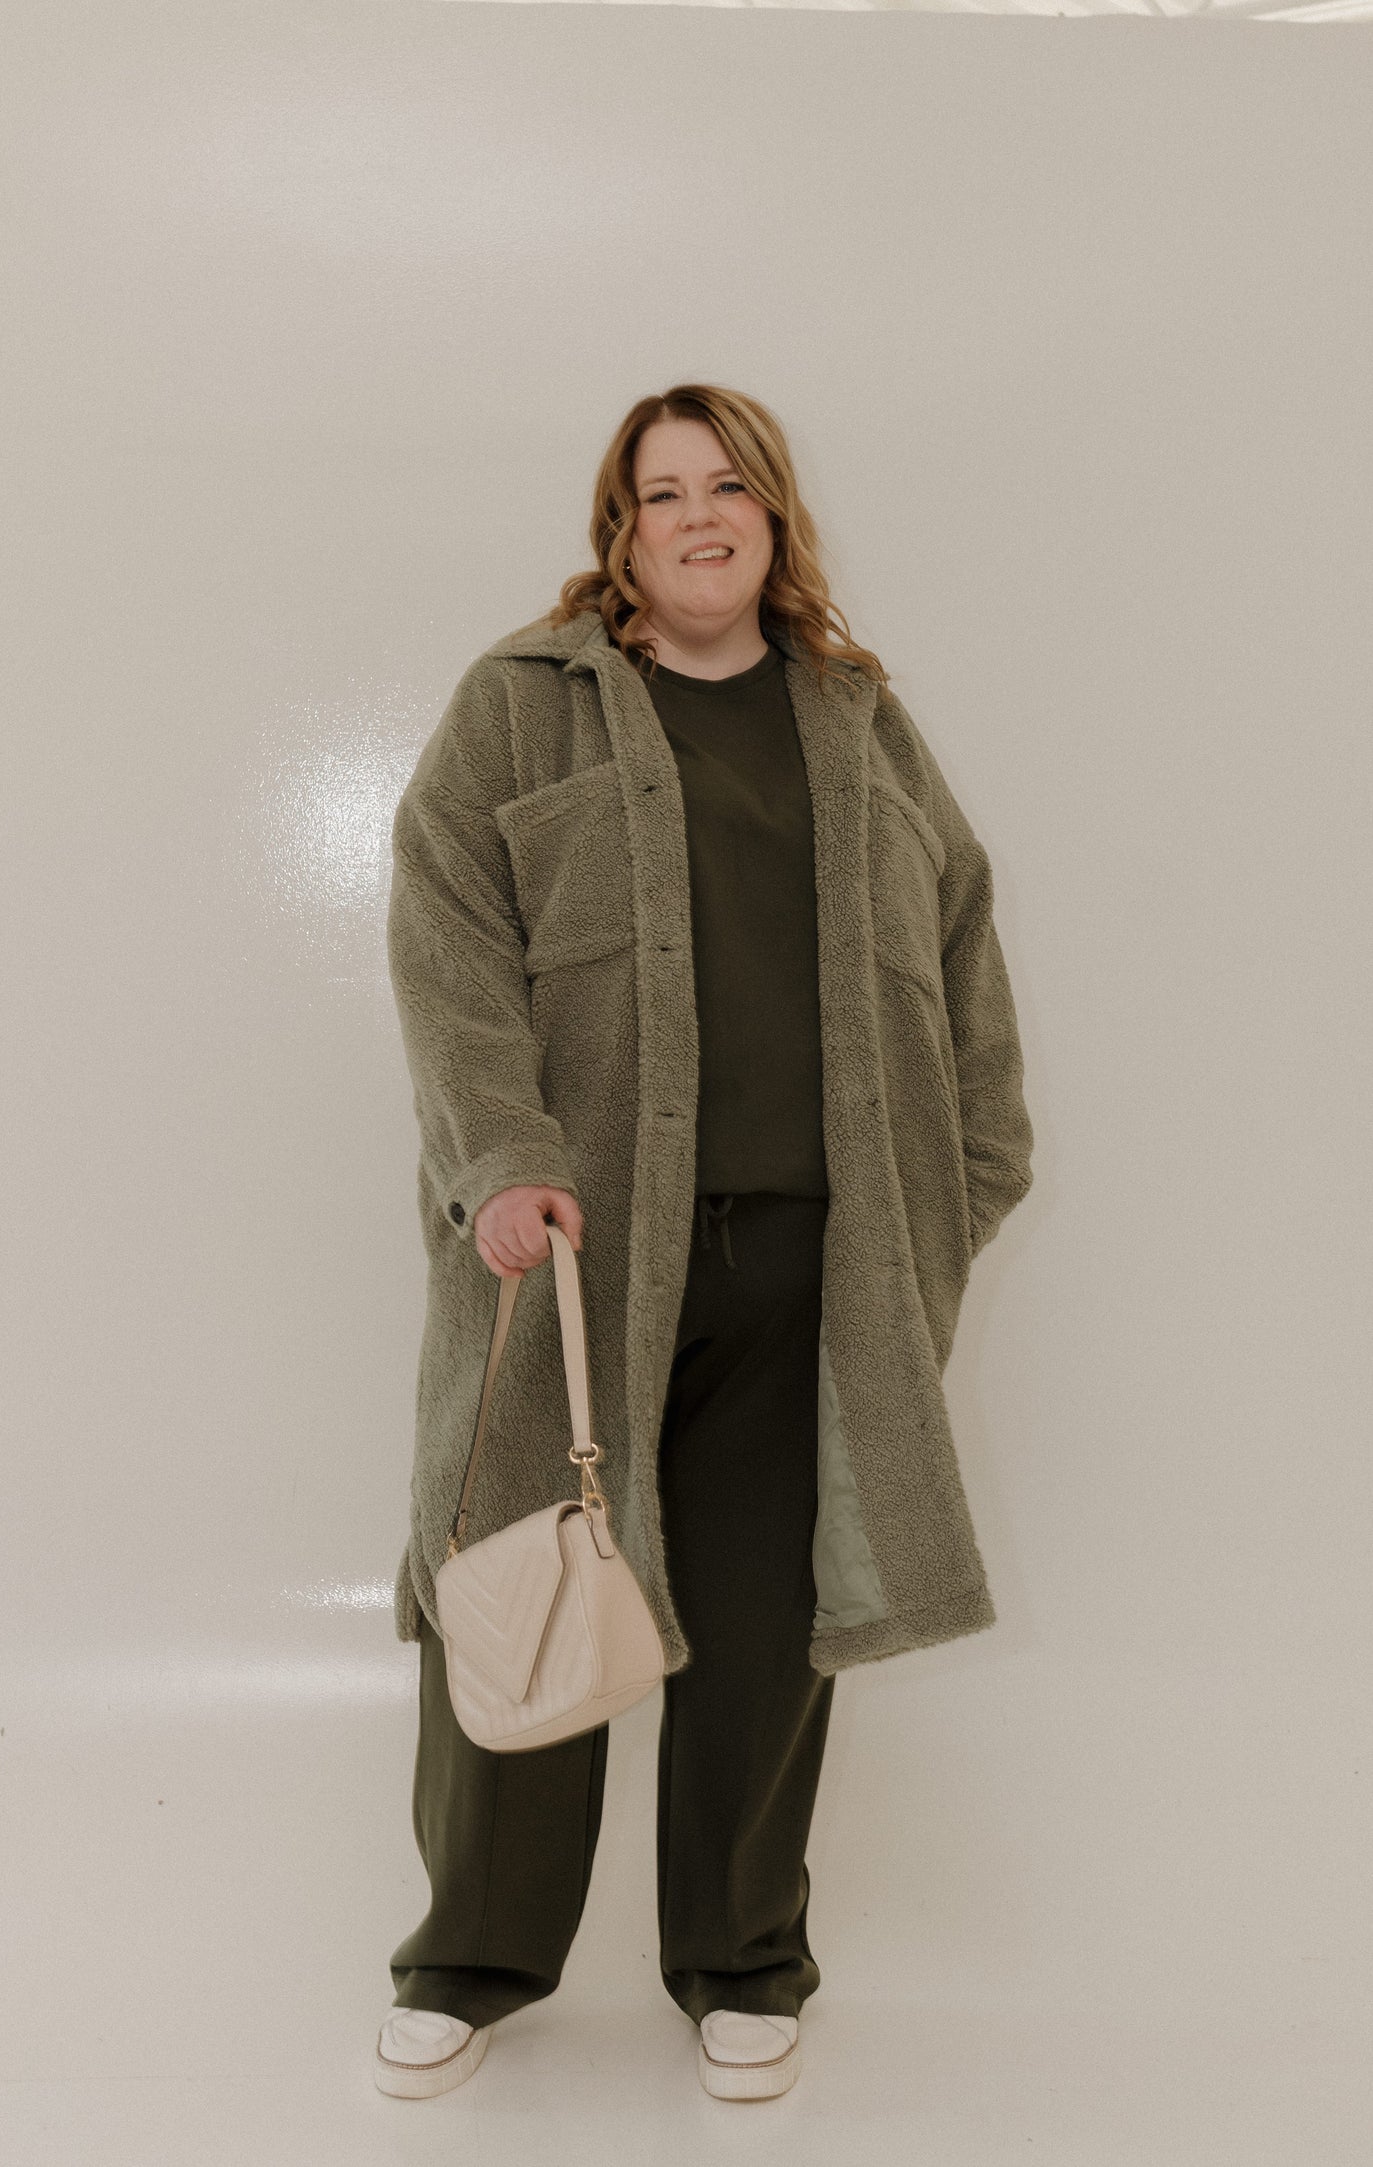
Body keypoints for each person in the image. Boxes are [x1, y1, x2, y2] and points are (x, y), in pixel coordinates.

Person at [376, 383, 1034, 2102]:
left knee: (761, 1618)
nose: (697, 516)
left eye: (726, 484)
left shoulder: (855, 720)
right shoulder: (518, 712)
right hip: (569, 1261)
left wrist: (960, 1185)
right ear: (622, 529)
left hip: (812, 1256)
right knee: (524, 1594)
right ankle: (471, 1957)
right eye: (661, 492)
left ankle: (742, 1958)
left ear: (771, 516)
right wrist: (503, 1159)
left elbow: (960, 950)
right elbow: (448, 949)